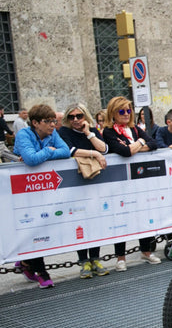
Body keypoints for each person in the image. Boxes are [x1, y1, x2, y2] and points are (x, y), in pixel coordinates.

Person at [13, 104, 70, 288]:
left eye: (53, 121)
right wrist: (49, 151)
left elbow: (65, 151)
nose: (53, 125)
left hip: (43, 188)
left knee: (43, 226)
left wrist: (43, 154)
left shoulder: (52, 134)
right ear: (35, 123)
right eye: (48, 121)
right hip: (22, 188)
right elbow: (31, 160)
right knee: (32, 226)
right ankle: (41, 272)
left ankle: (26, 262)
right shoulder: (24, 134)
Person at [102, 96, 161, 270]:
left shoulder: (134, 129)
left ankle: (146, 251)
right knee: (121, 217)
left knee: (143, 213)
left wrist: (137, 144)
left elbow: (153, 143)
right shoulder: (109, 132)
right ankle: (121, 257)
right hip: (119, 180)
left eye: (129, 110)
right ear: (113, 113)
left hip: (138, 178)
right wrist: (139, 144)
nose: (126, 114)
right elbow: (124, 151)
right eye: (122, 111)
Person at [58, 103, 109, 279]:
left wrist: (88, 133)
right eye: (71, 117)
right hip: (76, 182)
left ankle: (95, 258)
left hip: (95, 181)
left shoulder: (92, 130)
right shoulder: (64, 132)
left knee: (94, 220)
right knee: (79, 222)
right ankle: (83, 261)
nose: (75, 120)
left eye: (79, 116)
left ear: (85, 116)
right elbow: (70, 150)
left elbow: (104, 149)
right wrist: (94, 154)